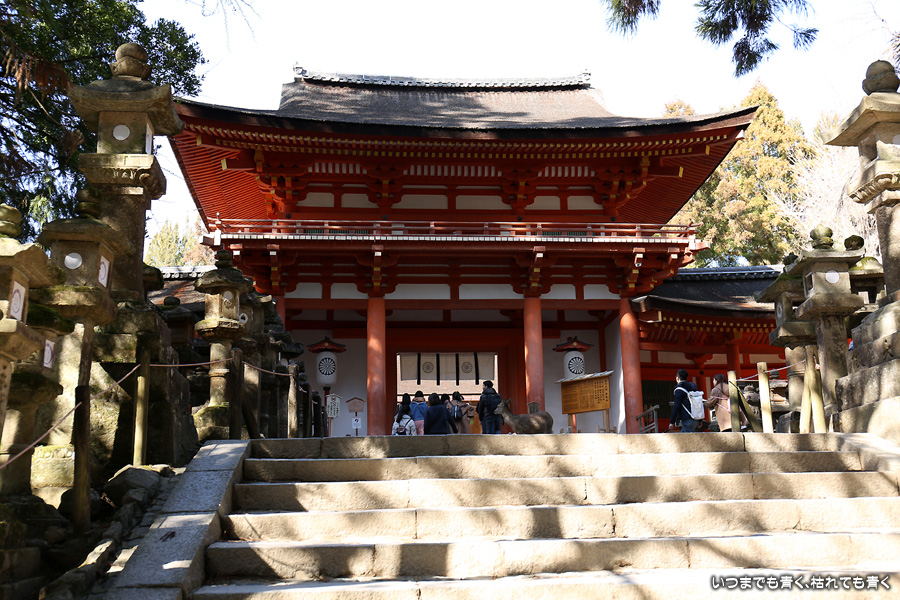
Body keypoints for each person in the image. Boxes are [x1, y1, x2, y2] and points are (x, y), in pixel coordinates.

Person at [668, 369, 698, 433]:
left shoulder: (679, 389)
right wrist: (700, 420)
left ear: (677, 378)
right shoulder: (693, 386)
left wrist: (672, 422)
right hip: (696, 417)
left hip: (686, 417)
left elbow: (677, 405)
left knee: (687, 438)